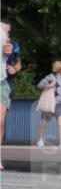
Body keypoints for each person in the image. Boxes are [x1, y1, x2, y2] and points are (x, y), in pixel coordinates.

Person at [1, 19, 22, 169]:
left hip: (4, 83)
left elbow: (18, 63)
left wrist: (15, 69)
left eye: (6, 30)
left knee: (0, 120)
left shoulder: (13, 45)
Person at [35, 61, 61, 148]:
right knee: (44, 121)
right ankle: (40, 140)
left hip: (60, 103)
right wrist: (49, 86)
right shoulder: (50, 77)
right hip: (50, 102)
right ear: (59, 68)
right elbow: (39, 85)